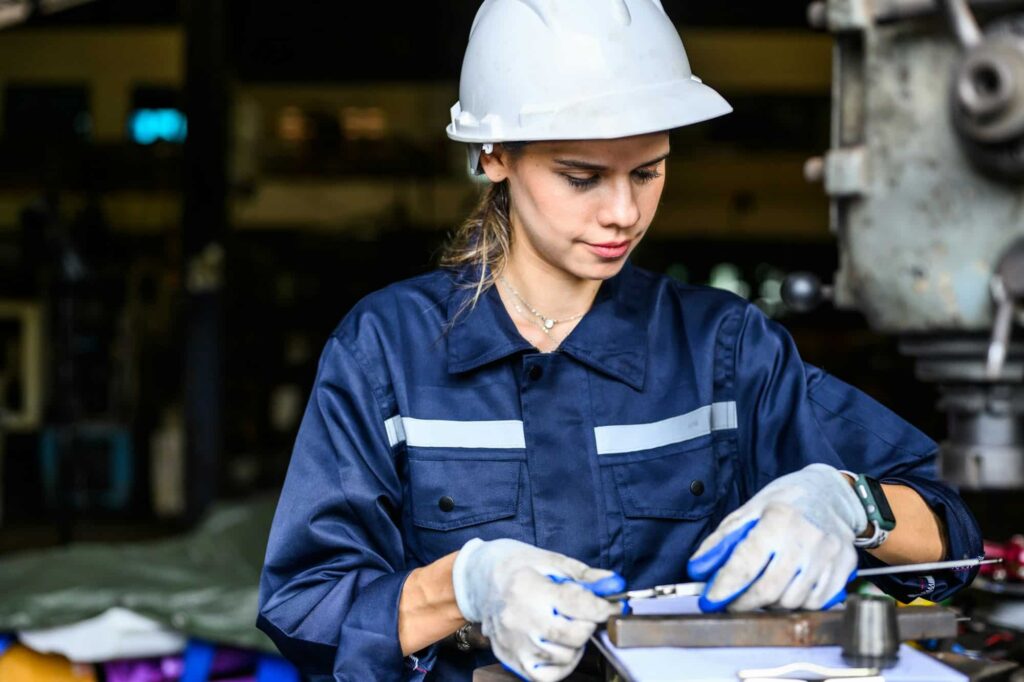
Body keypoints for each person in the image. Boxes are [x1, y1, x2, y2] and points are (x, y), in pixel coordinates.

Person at [256, 1, 983, 680]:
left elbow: (951, 535)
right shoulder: (388, 351)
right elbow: (306, 605)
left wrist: (849, 502)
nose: (624, 212)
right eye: (582, 177)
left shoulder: (723, 350)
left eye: (648, 171)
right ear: (494, 155)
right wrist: (466, 588)